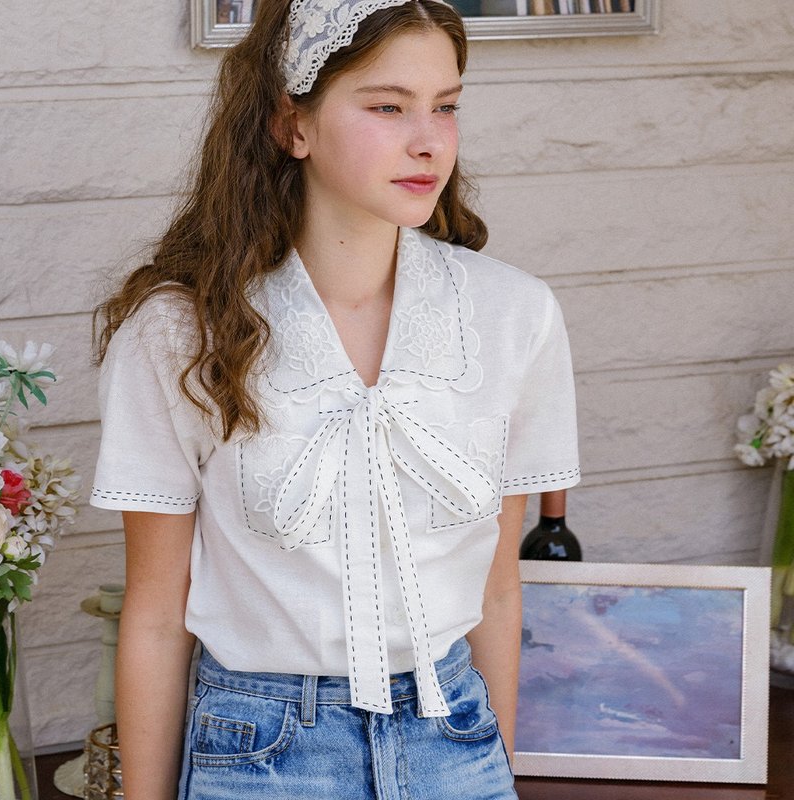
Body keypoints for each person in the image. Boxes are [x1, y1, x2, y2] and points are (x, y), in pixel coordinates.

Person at [90, 0, 580, 797]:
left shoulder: (514, 315)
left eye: (446, 106)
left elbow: (496, 588)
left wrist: (499, 772)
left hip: (455, 738)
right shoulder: (182, 332)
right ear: (294, 125)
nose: (429, 140)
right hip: (258, 753)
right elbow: (153, 612)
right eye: (388, 106)